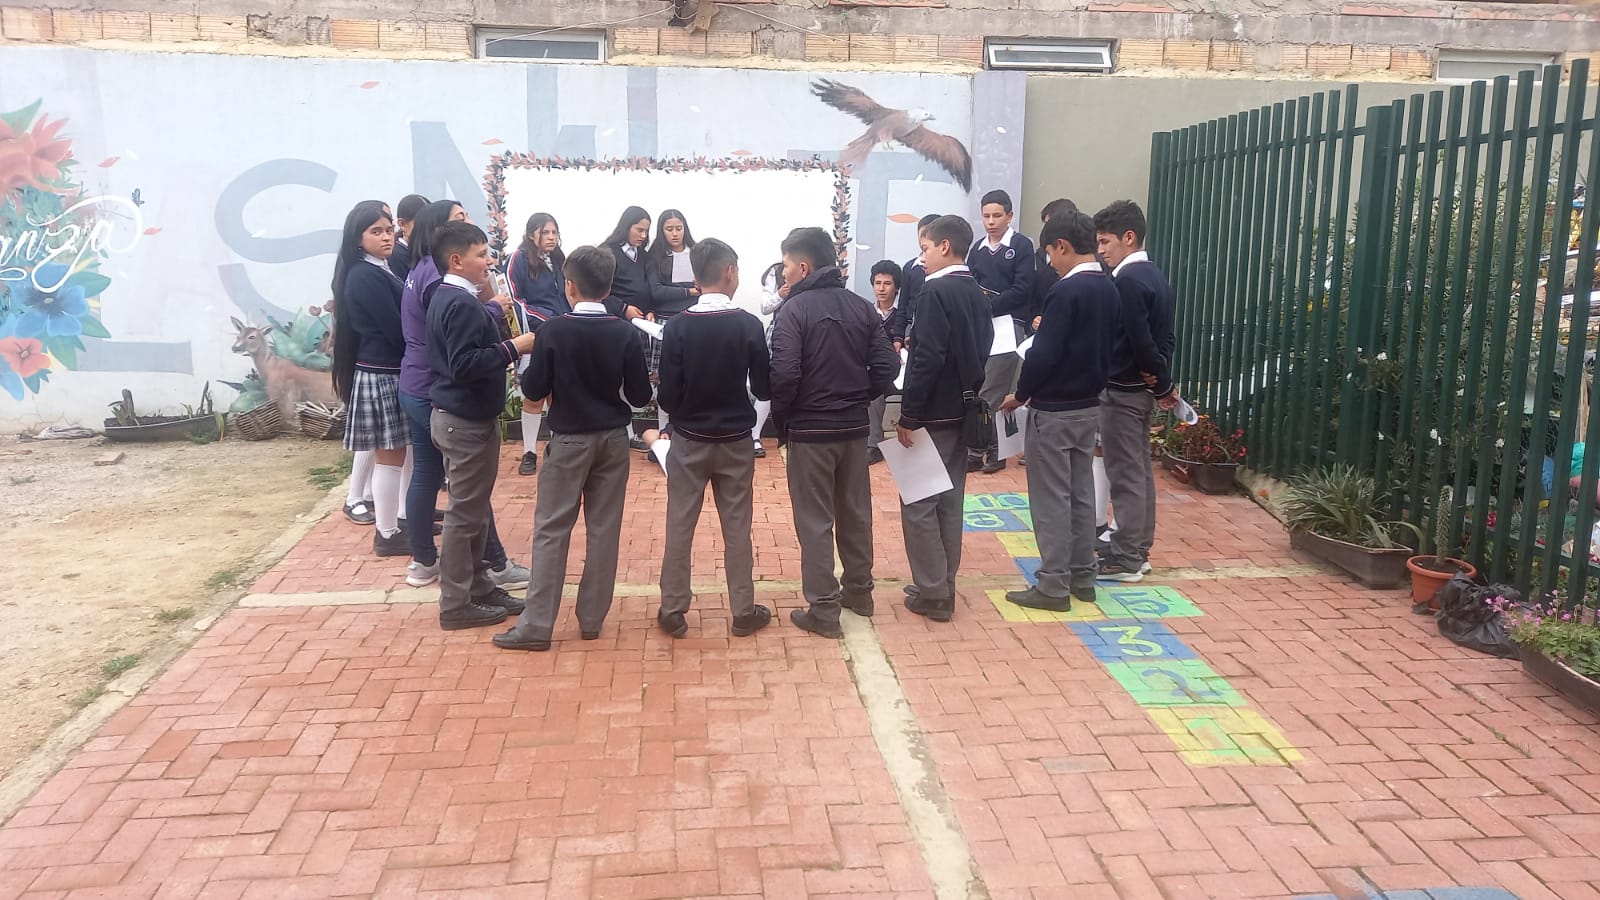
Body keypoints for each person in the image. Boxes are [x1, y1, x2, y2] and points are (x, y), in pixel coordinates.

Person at [495, 246, 652, 652]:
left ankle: (537, 625)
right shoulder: (624, 332)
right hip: (614, 439)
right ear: (609, 287)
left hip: (568, 440)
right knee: (604, 530)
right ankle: (591, 619)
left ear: (569, 286)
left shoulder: (553, 331)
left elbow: (532, 390)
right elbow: (639, 394)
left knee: (551, 530)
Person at [769, 227, 900, 638]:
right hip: (852, 430)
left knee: (814, 520)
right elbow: (888, 369)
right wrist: (859, 397)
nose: (783, 272)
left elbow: (785, 374)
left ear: (803, 266)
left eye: (786, 265)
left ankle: (824, 609)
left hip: (810, 432)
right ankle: (859, 593)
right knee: (855, 514)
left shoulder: (793, 311)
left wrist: (785, 417)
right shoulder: (862, 307)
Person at [398, 200, 528, 590]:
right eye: (460, 221)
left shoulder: (427, 276)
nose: (488, 261)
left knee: (441, 481)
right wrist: (508, 338)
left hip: (426, 388)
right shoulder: (446, 289)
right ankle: (477, 580)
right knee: (467, 497)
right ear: (452, 254)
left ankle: (435, 565)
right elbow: (462, 353)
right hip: (444, 398)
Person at [655, 238, 774, 639]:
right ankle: (743, 610)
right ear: (729, 273)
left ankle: (672, 608)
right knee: (737, 527)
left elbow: (667, 396)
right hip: (737, 440)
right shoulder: (748, 324)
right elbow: (762, 385)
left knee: (680, 525)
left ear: (696, 276)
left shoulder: (678, 327)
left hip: (689, 439)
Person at [1000, 212, 1117, 613]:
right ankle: (1083, 575)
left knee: (1050, 499)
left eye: (1050, 254)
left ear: (1063, 246)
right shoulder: (1108, 285)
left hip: (1054, 409)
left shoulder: (1066, 293)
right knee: (1081, 492)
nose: (1050, 263)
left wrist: (1022, 392)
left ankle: (1052, 584)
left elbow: (1043, 353)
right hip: (1088, 405)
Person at [424, 221, 538, 630]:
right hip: (463, 421)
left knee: (474, 512)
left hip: (466, 418)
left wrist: (492, 310)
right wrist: (514, 347)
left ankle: (480, 585)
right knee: (463, 516)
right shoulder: (458, 303)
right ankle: (456, 602)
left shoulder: (455, 298)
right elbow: (464, 364)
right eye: (480, 255)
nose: (488, 261)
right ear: (457, 260)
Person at [895, 216, 993, 623]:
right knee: (950, 501)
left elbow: (927, 357)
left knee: (919, 501)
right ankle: (943, 583)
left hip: (931, 413)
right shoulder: (976, 291)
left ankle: (933, 592)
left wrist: (909, 413)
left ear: (946, 246)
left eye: (926, 249)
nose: (922, 259)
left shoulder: (936, 292)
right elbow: (985, 344)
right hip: (963, 408)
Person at [1095, 200, 1178, 583]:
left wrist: (1158, 381)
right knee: (1139, 470)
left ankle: (1128, 556)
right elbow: (1166, 338)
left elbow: (1142, 342)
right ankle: (1136, 546)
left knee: (1126, 473)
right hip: (1139, 389)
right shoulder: (1154, 275)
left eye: (1106, 242)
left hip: (1125, 391)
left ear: (1129, 238)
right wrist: (1161, 380)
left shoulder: (1127, 280)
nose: (1101, 251)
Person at [330, 201, 413, 557]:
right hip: (382, 373)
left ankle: (400, 520)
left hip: (388, 370)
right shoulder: (364, 275)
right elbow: (396, 330)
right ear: (357, 238)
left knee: (397, 453)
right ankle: (388, 532)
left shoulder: (381, 268)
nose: (386, 237)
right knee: (389, 456)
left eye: (388, 230)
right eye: (375, 232)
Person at [602, 206, 696, 449]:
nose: (643, 235)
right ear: (626, 226)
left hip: (643, 324)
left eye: (645, 231)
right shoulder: (608, 253)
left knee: (640, 376)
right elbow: (602, 290)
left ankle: (641, 432)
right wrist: (624, 309)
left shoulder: (644, 257)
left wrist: (650, 309)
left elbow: (648, 290)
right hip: (616, 323)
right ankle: (623, 431)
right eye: (639, 229)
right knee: (616, 378)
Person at [967, 189, 1036, 474]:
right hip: (983, 328)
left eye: (997, 215)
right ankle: (991, 450)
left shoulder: (1020, 246)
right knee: (982, 387)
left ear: (1010, 216)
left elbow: (1023, 289)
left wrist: (990, 305)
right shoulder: (978, 249)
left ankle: (982, 451)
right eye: (986, 216)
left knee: (993, 390)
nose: (991, 221)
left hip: (1008, 326)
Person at [506, 212, 569, 476]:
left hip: (562, 335)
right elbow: (514, 298)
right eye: (546, 232)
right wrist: (544, 320)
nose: (551, 238)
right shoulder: (519, 259)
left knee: (559, 396)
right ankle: (529, 452)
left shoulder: (560, 260)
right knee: (533, 396)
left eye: (554, 232)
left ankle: (555, 447)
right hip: (535, 336)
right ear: (532, 233)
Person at [865, 259, 905, 465]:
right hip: (880, 372)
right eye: (877, 283)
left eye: (887, 283)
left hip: (905, 372)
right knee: (872, 393)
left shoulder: (904, 315)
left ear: (896, 287)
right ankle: (874, 445)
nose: (881, 288)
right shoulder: (866, 313)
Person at [748, 261, 787, 459]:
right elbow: (764, 307)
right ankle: (754, 436)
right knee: (769, 385)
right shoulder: (776, 271)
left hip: (809, 328)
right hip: (781, 329)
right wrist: (781, 293)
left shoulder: (813, 272)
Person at [898, 213, 940, 339]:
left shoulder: (946, 268)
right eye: (922, 235)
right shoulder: (910, 267)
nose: (924, 240)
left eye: (929, 235)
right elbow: (903, 304)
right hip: (911, 329)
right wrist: (898, 336)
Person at [389, 193, 429, 279]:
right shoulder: (396, 257)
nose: (429, 228)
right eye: (422, 223)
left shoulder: (428, 251)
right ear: (402, 224)